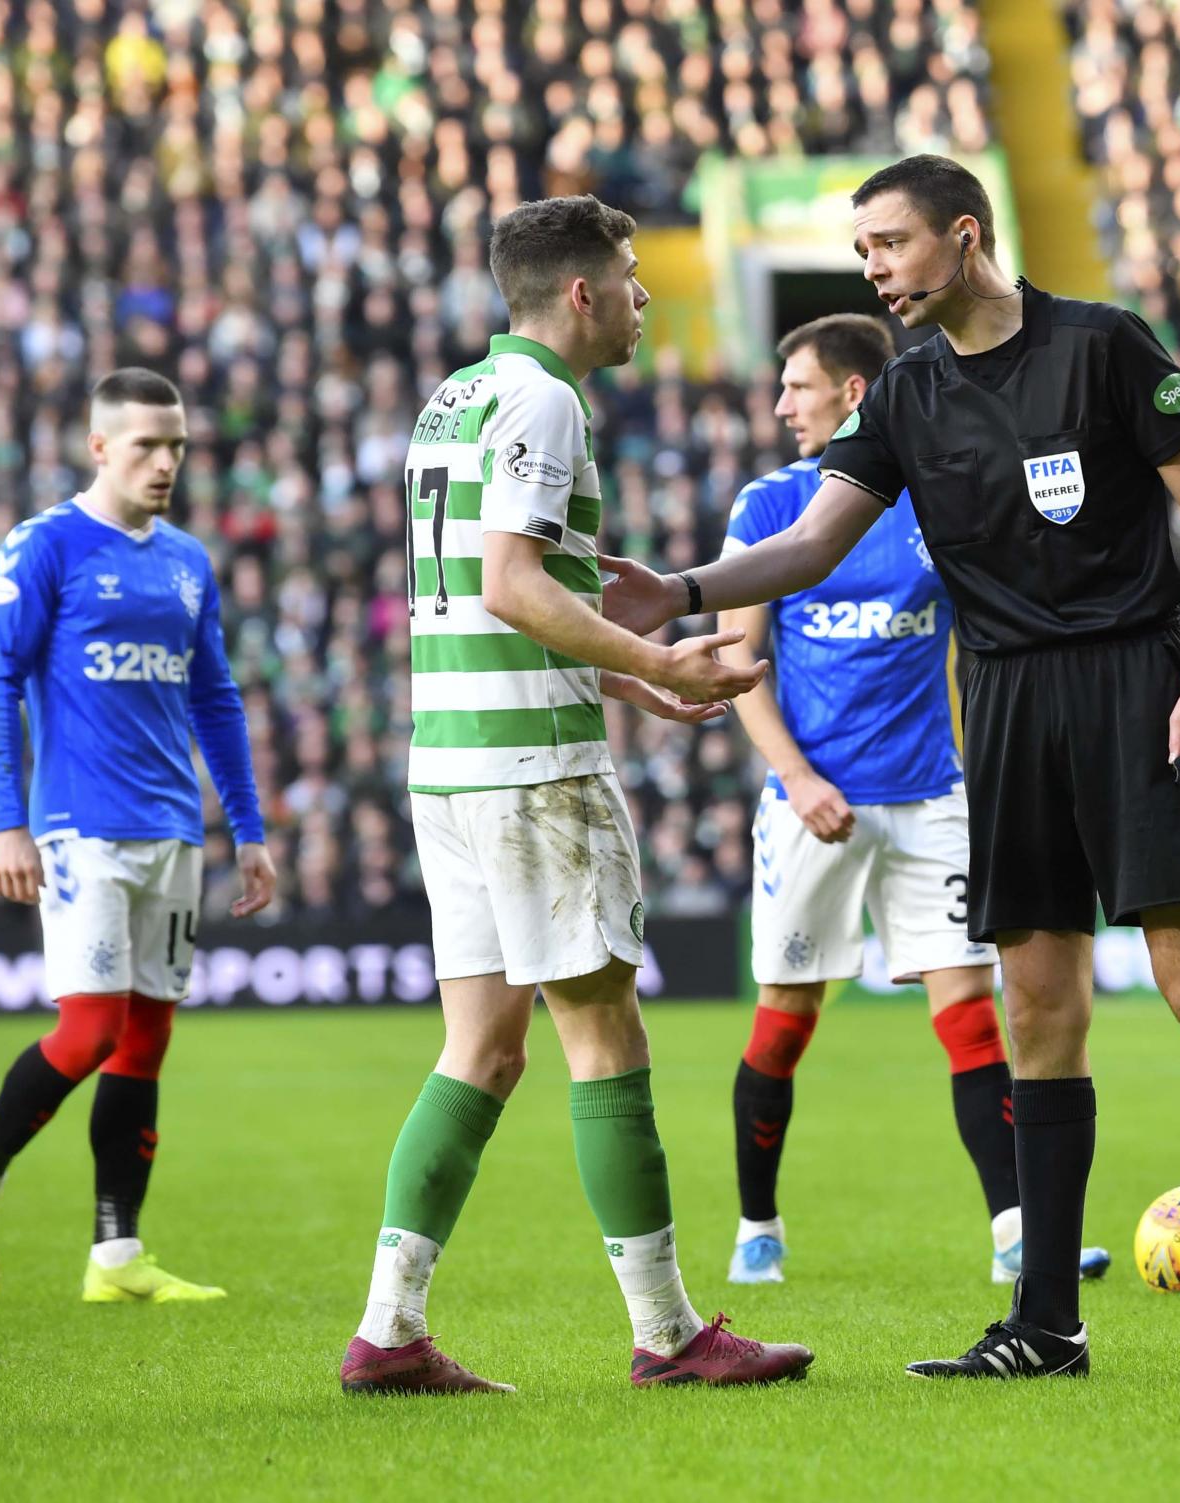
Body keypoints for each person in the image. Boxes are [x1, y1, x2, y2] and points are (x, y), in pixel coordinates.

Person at [600, 155, 1180, 1381]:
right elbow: (809, 542)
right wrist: (683, 589)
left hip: (1135, 683)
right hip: (1004, 703)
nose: (875, 270)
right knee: (1040, 1011)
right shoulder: (904, 398)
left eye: (892, 245)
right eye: (864, 252)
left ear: (966, 237)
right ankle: (1047, 1323)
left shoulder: (1104, 346)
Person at [338, 194, 810, 1395]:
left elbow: (511, 586)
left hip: (448, 756)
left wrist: (629, 683)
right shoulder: (547, 399)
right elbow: (509, 583)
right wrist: (655, 660)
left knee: (482, 1050)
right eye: (634, 279)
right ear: (583, 293)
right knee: (604, 1038)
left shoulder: (457, 397)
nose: (649, 300)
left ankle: (389, 1332)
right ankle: (668, 1335)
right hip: (534, 771)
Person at [717, 312, 1108, 1287]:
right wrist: (798, 778)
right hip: (812, 800)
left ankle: (1015, 1228)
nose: (781, 405)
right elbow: (737, 658)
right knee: (785, 1016)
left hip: (932, 799)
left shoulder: (934, 501)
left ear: (853, 394)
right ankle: (756, 1223)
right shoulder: (769, 505)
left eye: (797, 387)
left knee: (974, 1011)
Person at [0, 367, 276, 1306]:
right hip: (80, 827)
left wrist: (246, 829)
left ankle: (116, 1255)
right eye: (145, 446)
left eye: (176, 446)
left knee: (146, 1040)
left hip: (173, 828)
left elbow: (215, 698)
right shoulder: (45, 544)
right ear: (99, 447)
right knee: (89, 1030)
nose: (166, 462)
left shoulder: (187, 561)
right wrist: (6, 819)